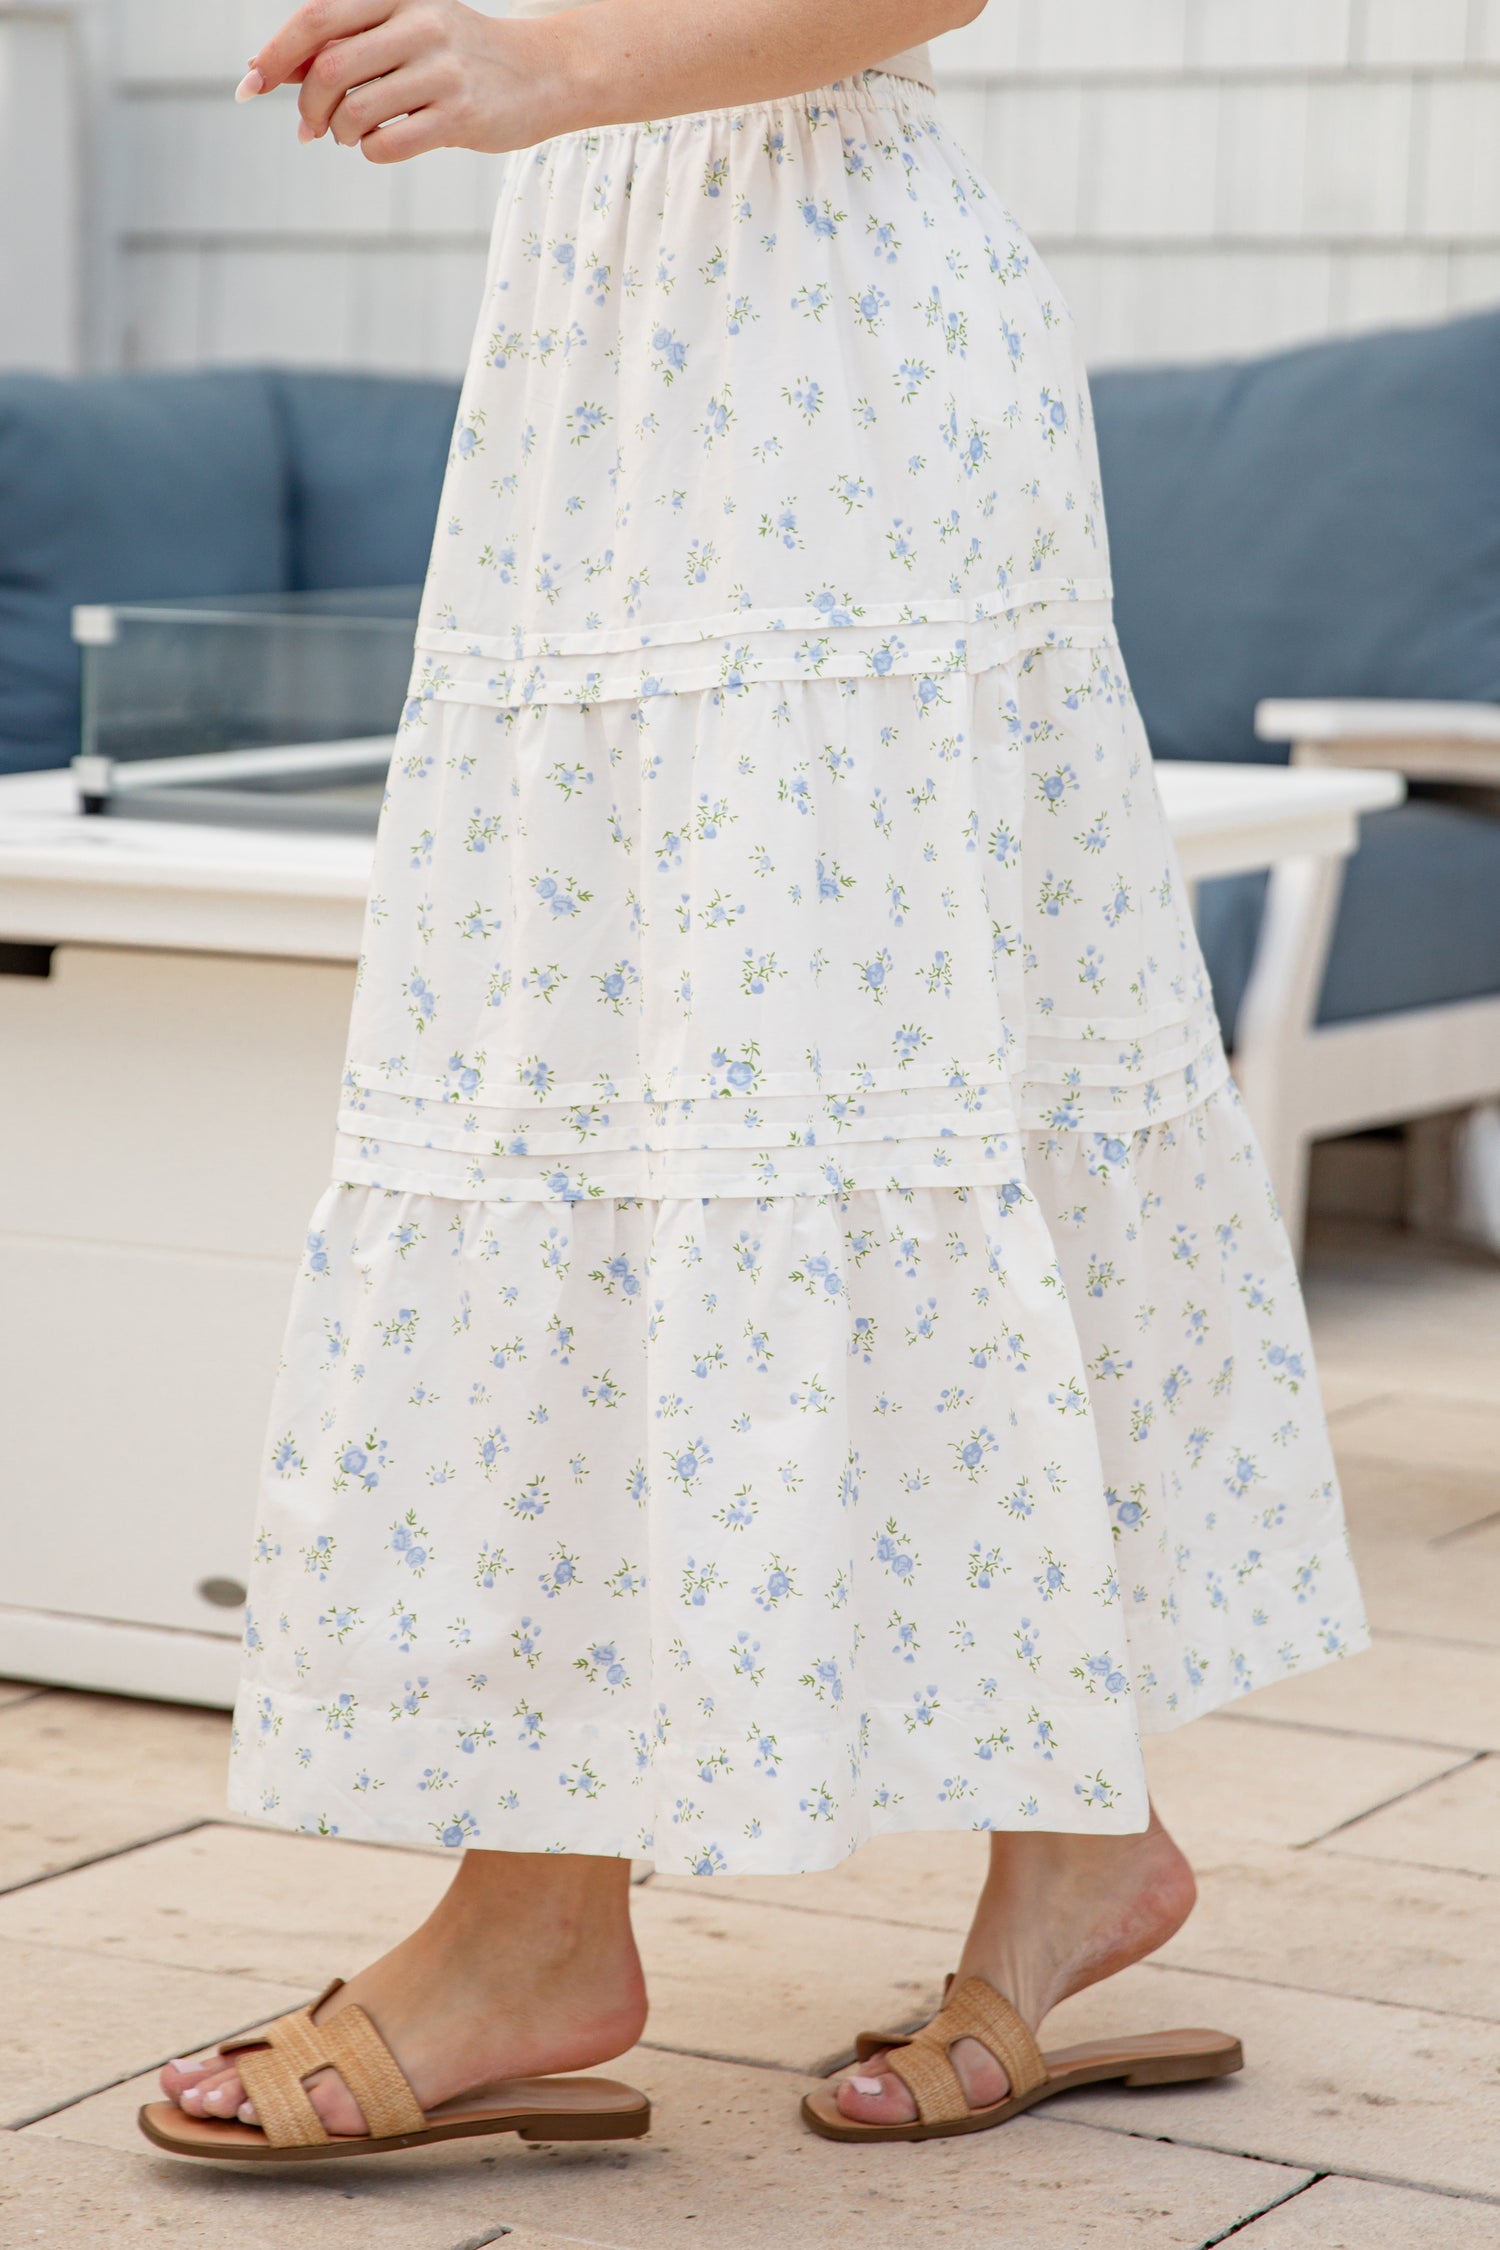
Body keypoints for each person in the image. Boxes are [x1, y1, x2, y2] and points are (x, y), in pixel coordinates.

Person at [144, 0, 1367, 2161]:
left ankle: (691, 1899)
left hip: (825, 358)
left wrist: (545, 70)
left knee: (848, 1085)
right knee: (606, 1089)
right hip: (606, 350)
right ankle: (692, 1889)